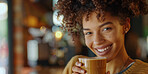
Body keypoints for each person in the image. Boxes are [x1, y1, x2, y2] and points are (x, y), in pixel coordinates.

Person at [55, 0, 148, 74]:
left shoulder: (144, 71)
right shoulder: (75, 65)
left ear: (125, 25)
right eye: (88, 33)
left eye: (106, 29)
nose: (97, 41)